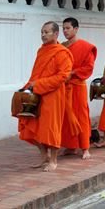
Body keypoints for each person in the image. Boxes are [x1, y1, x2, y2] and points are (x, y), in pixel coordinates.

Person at [18, 21, 73, 172]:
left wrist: (38, 84)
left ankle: (53, 160)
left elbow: (62, 76)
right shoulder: (41, 51)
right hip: (37, 94)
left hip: (53, 95)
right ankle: (44, 156)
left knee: (50, 127)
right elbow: (36, 74)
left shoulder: (62, 53)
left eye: (46, 32)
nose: (43, 35)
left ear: (56, 34)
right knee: (30, 126)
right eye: (42, 32)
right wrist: (26, 88)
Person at [60, 17, 97, 160]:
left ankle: (85, 147)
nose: (65, 31)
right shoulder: (61, 46)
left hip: (77, 86)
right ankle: (70, 146)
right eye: (63, 28)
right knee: (66, 117)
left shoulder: (84, 46)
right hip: (64, 86)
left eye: (68, 28)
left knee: (81, 115)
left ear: (76, 29)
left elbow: (89, 67)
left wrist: (73, 73)